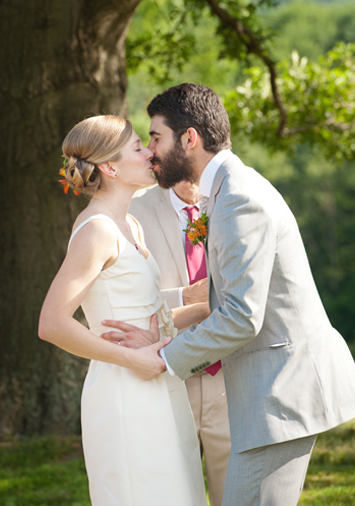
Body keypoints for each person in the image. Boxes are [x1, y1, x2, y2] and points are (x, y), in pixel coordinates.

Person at [127, 83, 355, 506]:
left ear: (189, 138)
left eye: (156, 137)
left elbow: (240, 316)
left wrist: (162, 359)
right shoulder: (229, 189)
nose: (151, 150)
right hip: (270, 391)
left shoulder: (237, 198)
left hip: (280, 394)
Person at [38, 115, 207, 506]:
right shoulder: (96, 230)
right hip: (125, 392)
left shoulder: (129, 223)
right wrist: (130, 360)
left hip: (160, 382)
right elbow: (52, 322)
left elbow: (147, 319)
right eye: (137, 147)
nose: (150, 152)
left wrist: (202, 306)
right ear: (110, 168)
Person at [102, 180, 232, 506]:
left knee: (235, 494)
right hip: (165, 376)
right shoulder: (131, 210)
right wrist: (185, 297)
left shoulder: (234, 202)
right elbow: (122, 300)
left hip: (231, 378)